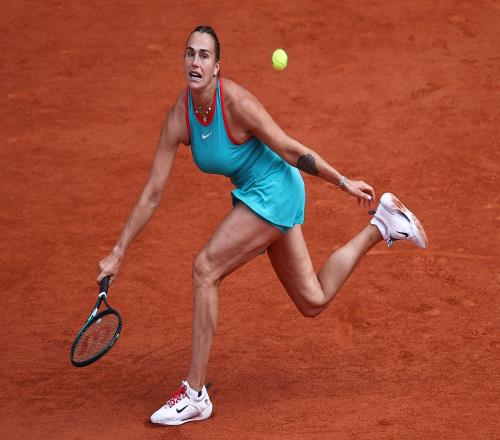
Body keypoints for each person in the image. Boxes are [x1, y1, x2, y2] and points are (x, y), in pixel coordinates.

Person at [97, 25, 428, 426]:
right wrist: (118, 251)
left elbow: (289, 148)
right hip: (258, 195)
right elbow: (152, 192)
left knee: (205, 269)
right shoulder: (179, 118)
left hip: (275, 191)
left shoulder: (237, 103)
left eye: (204, 55)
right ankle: (384, 224)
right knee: (313, 300)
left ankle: (195, 393)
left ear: (217, 66)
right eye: (190, 53)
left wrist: (343, 182)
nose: (195, 62)